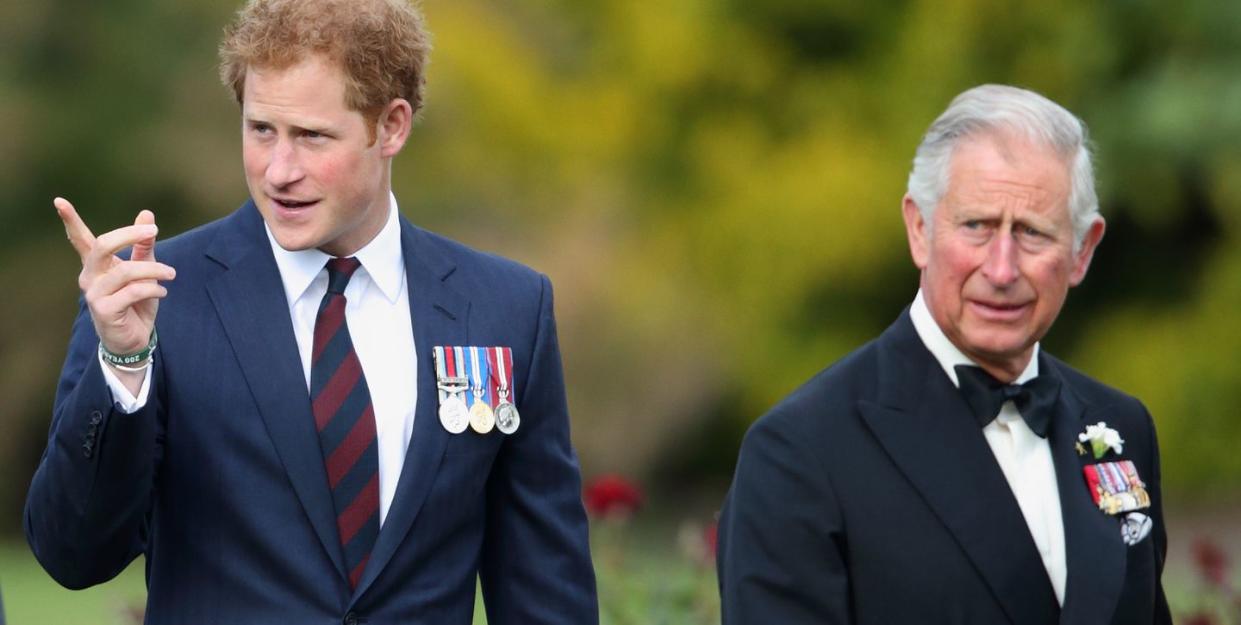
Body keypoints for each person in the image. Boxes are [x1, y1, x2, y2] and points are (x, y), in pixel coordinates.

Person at [25, 0, 598, 622]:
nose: (279, 170)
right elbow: (72, 554)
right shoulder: (155, 298)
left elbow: (547, 591)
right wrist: (124, 362)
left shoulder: (504, 308)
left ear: (392, 127)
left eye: (312, 136)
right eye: (261, 129)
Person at [717, 84, 1171, 625]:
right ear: (919, 229)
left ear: (1081, 252)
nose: (1001, 270)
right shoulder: (800, 452)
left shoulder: (1121, 427)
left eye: (1031, 233)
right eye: (977, 226)